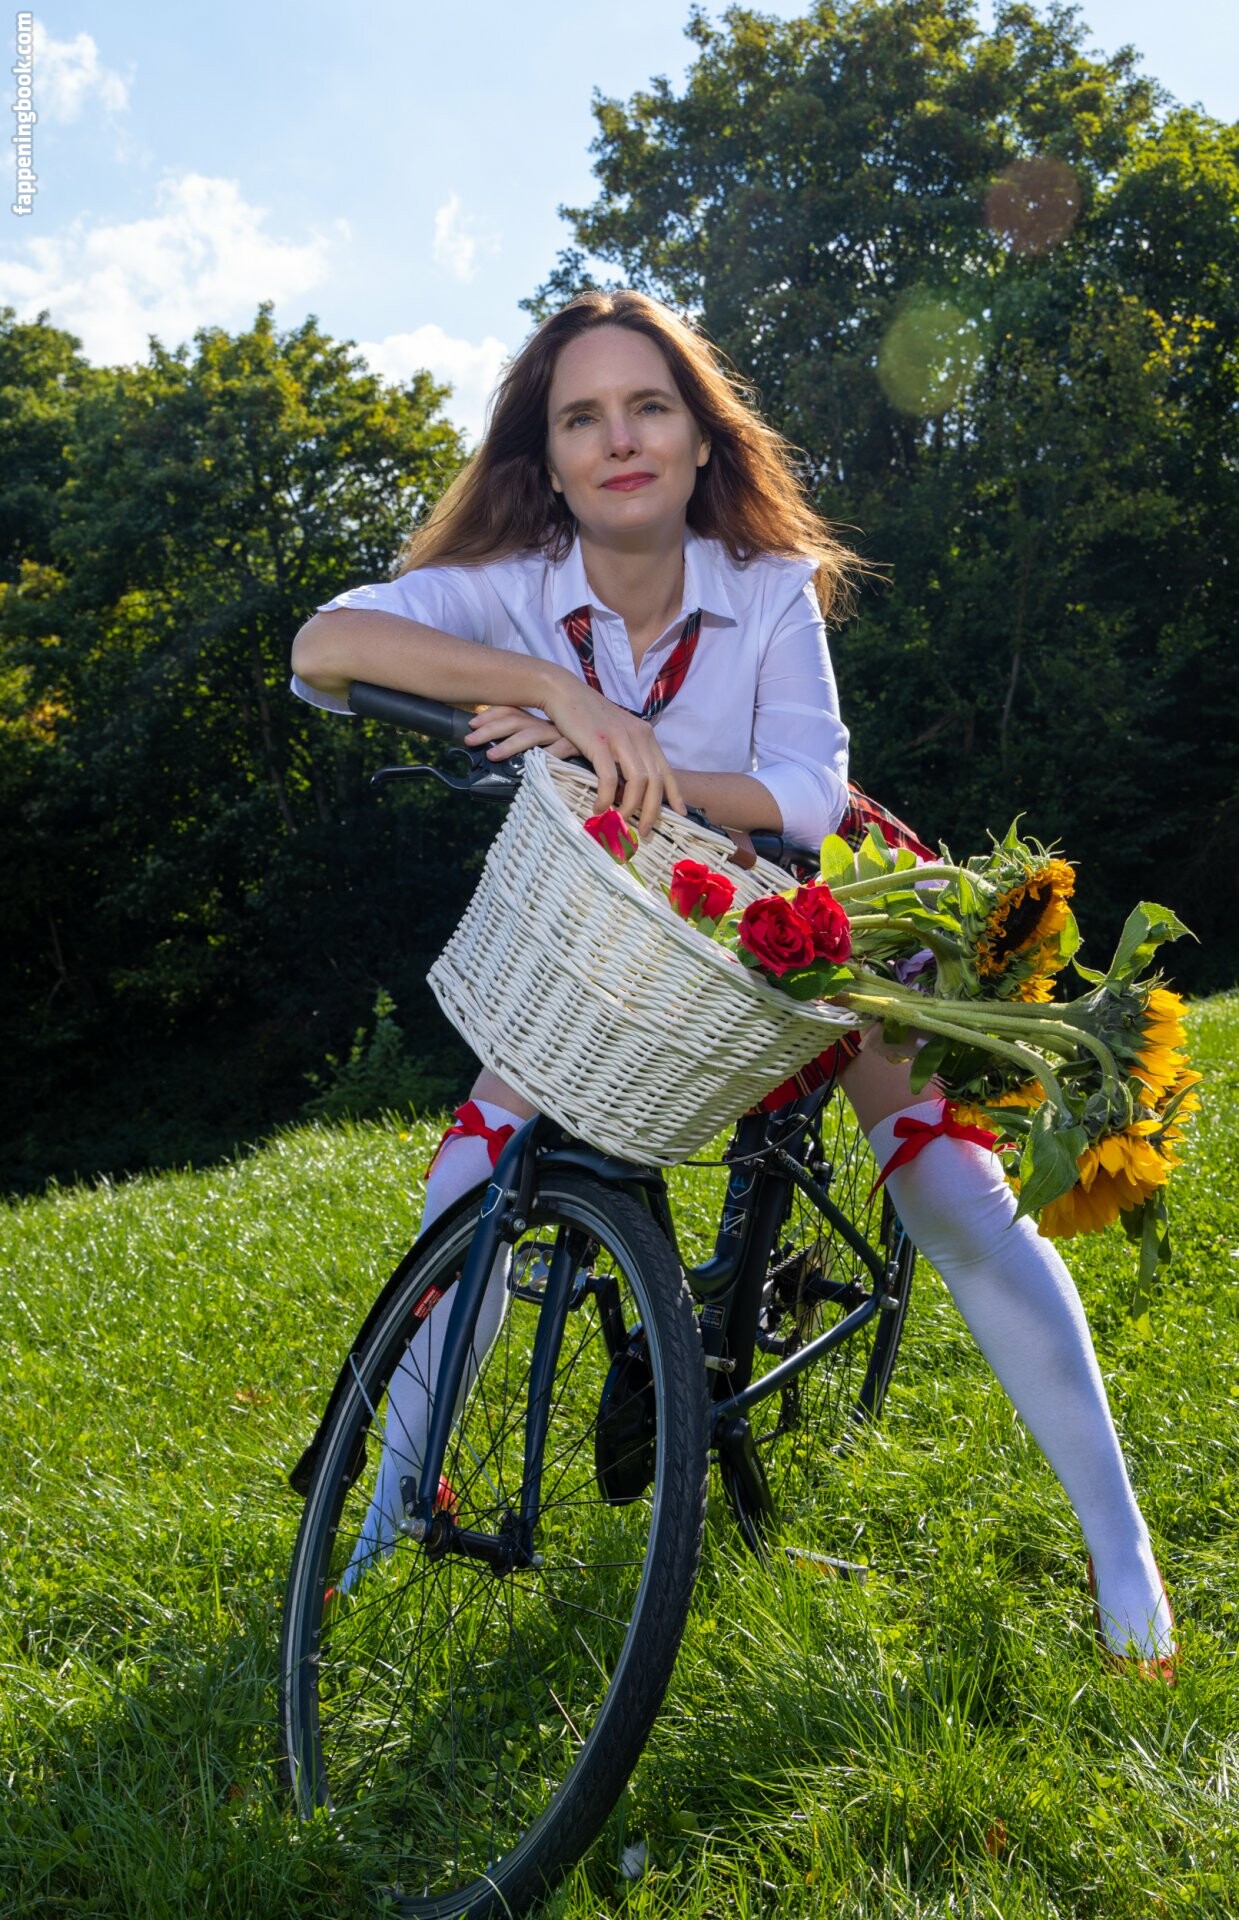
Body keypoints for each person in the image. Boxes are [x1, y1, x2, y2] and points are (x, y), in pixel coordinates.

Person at [289, 289, 1175, 1675]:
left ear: (702, 440)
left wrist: (624, 761)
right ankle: (392, 1508)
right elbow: (324, 648)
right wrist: (559, 692)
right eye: (582, 418)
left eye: (650, 407)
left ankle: (1124, 1558)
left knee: (953, 1190)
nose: (618, 440)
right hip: (624, 921)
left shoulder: (765, 584)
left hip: (817, 898)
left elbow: (807, 792)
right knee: (469, 1183)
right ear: (548, 459)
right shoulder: (517, 580)